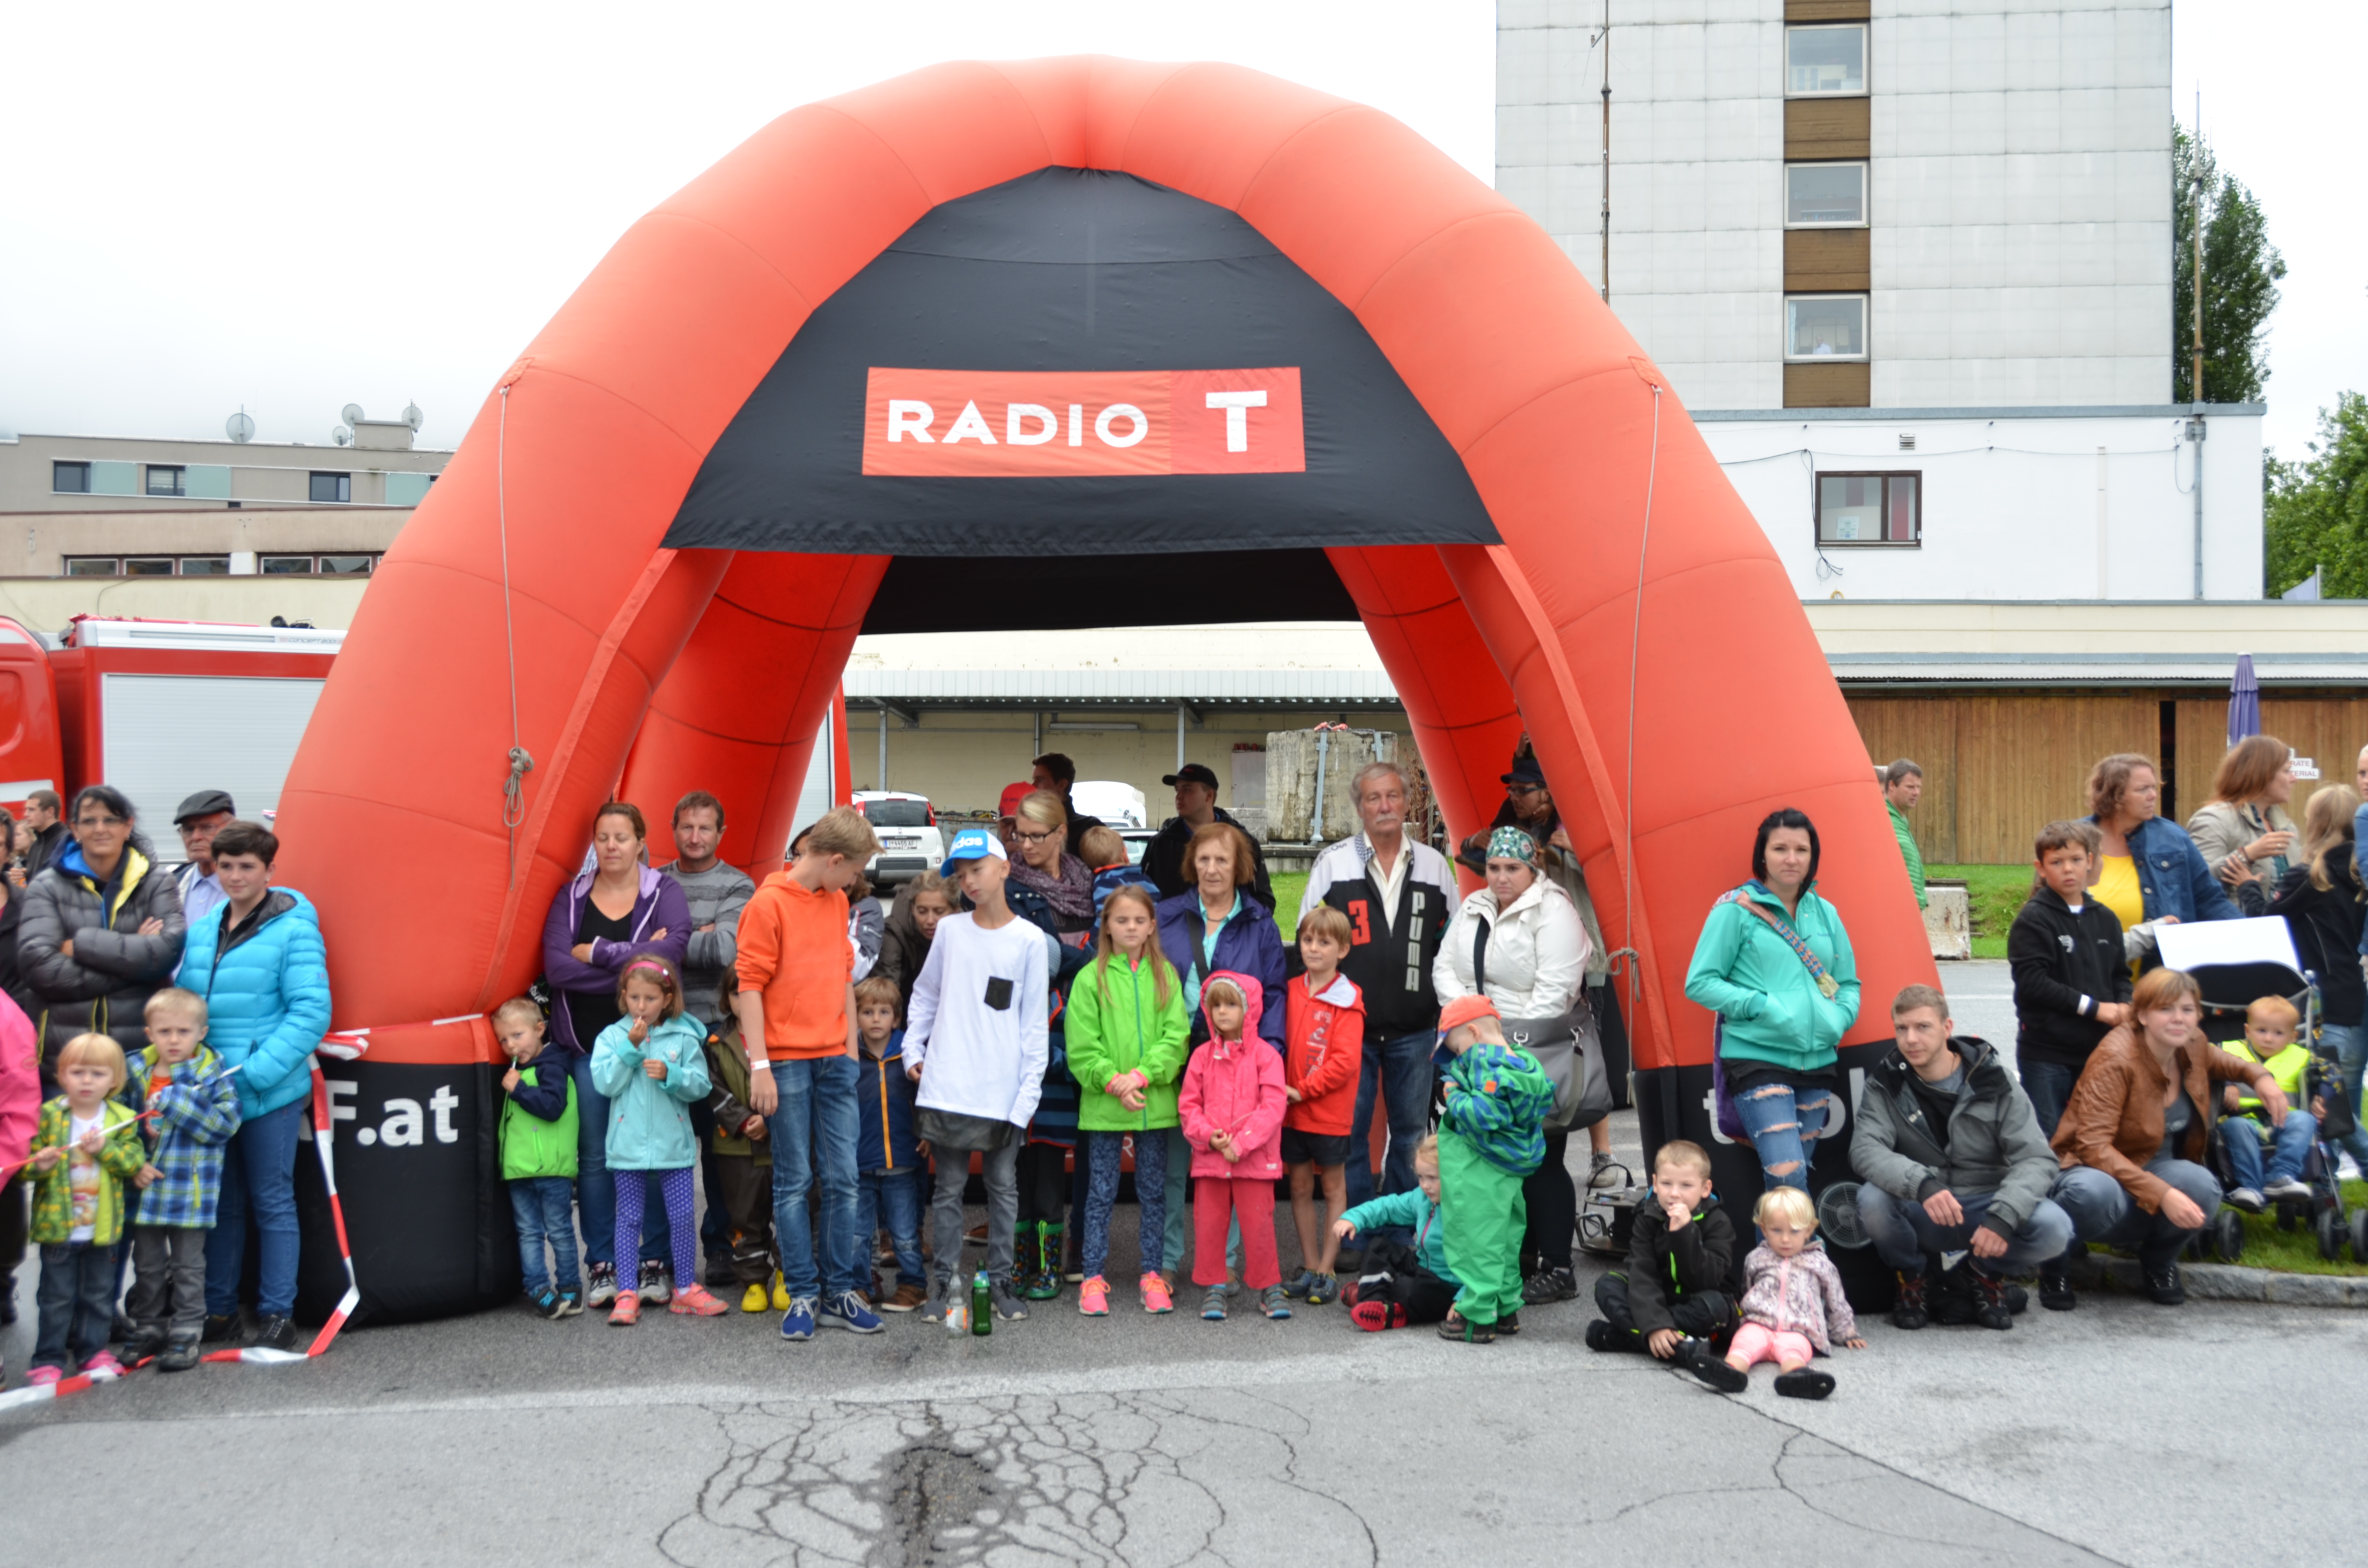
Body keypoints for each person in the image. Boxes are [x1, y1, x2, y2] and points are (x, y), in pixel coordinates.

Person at [2044, 966, 2289, 1309]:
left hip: (2158, 1166)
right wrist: (2163, 1194)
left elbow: (2227, 1062)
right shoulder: (2116, 1058)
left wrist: (2261, 1077)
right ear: (2142, 1015)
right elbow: (2093, 1147)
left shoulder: (2192, 1043)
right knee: (2091, 1193)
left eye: (2187, 1010)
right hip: (2095, 1168)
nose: (2179, 1019)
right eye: (2165, 1009)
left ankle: (2158, 1262)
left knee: (2203, 1186)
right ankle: (2055, 1259)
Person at [175, 820, 326, 1353]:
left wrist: (260, 1072)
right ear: (213, 868)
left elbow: (311, 1012)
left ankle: (277, 1313)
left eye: (247, 866)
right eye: (227, 865)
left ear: (269, 870)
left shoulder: (295, 928)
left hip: (267, 1092)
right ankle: (219, 1310)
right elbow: (185, 1007)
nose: (235, 875)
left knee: (272, 1201)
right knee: (222, 1204)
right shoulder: (202, 929)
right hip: (213, 1091)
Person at [733, 804, 882, 1341]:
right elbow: (748, 985)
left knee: (844, 1179)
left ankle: (839, 1291)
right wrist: (760, 1066)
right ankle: (802, 1293)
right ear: (834, 859)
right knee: (793, 1182)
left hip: (834, 1060)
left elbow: (844, 973)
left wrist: (847, 1047)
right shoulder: (767, 905)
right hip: (787, 1062)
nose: (857, 880)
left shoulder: (836, 897)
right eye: (855, 868)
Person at [1852, 984, 2073, 1332]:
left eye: (1922, 1027)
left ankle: (1982, 1275)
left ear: (1947, 1028)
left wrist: (2004, 1216)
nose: (1910, 1039)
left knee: (2055, 1228)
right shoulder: (1885, 1082)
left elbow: (2037, 1158)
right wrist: (1921, 1184)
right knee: (1872, 1200)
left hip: (1986, 1207)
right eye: (1902, 1028)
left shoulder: (1994, 1079)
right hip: (1926, 1208)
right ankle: (1914, 1277)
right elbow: (1865, 1150)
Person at [540, 801, 691, 1309]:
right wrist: (635, 957)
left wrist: (597, 951)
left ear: (641, 842)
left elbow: (671, 956)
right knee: (599, 1158)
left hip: (650, 1045)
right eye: (602, 837)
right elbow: (558, 970)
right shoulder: (570, 897)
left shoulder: (663, 891)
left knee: (648, 1155)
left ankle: (653, 1263)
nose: (610, 846)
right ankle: (603, 1263)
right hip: (588, 1049)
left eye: (621, 837)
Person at [1434, 824, 1590, 1305]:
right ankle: (1514, 1258)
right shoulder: (1473, 906)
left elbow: (1555, 991)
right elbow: (1444, 967)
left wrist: (1496, 1035)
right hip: (1474, 1044)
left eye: (1512, 869)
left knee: (1541, 1158)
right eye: (1494, 868)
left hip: (1529, 1052)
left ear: (1532, 868)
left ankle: (1558, 1265)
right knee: (1487, 1156)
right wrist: (1470, 1025)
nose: (1500, 878)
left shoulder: (1554, 910)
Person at [1300, 761, 1458, 1229]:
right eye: (1373, 798)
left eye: (1392, 796)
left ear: (1405, 803)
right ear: (1359, 807)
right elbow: (1308, 938)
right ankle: (1357, 1230)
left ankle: (1399, 1231)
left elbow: (1449, 944)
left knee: (1410, 1135)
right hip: (1350, 1031)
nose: (1384, 806)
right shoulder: (1333, 863)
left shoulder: (1433, 865)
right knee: (1349, 1134)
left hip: (1415, 1029)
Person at [904, 826, 1048, 1325]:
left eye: (977, 869)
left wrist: (1025, 1097)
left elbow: (1034, 1024)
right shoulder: (949, 931)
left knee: (1002, 1187)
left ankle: (1002, 1282)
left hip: (1002, 1090)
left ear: (1005, 868)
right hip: (948, 1085)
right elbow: (925, 995)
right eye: (961, 874)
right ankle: (942, 1284)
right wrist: (910, 1050)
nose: (969, 881)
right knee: (946, 1189)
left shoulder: (1030, 940)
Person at [1683, 808, 1860, 1195]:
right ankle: (1792, 1256)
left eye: (1802, 849)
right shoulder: (1735, 910)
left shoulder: (1825, 913)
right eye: (1780, 848)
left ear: (1813, 856)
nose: (1792, 858)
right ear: (1762, 855)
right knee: (1787, 1174)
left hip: (1817, 1062)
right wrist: (1761, 1007)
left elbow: (1848, 983)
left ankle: (1785, 1257)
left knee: (1794, 1185)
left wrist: (1839, 1018)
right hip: (1758, 1059)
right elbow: (1699, 983)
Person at [1486, 749, 1624, 1192]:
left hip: (1583, 960)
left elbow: (1615, 873)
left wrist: (1579, 854)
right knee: (1538, 1051)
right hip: (1529, 960)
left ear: (1549, 792)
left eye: (1524, 790)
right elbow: (1489, 856)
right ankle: (1534, 1136)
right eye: (1512, 790)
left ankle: (1602, 1154)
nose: (1515, 797)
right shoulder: (1520, 826)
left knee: (1585, 1053)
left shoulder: (1574, 825)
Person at [1156, 818, 1287, 1280]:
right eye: (1204, 859)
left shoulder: (1259, 923)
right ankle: (1168, 1262)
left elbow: (1274, 993)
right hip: (1175, 1054)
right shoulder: (1165, 915)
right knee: (1176, 1168)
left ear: (1240, 867)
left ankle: (1224, 1266)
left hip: (1238, 1061)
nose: (1212, 869)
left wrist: (1267, 1056)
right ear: (1192, 863)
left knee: (1230, 1164)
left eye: (1223, 860)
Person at [1064, 882, 1188, 1318]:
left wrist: (1141, 1076)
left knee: (1154, 1193)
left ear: (1152, 926)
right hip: (1105, 1108)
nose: (1131, 927)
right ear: (1107, 926)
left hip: (1154, 1107)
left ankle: (1152, 1274)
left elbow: (1177, 1036)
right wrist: (1114, 1081)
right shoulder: (1090, 978)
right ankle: (1093, 1277)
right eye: (1122, 920)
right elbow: (1081, 1044)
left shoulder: (1164, 974)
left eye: (1139, 920)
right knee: (1100, 1194)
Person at [18, 784, 187, 1082]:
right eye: (89, 820)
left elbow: (165, 954)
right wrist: (134, 964)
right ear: (75, 829)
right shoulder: (46, 886)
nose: (100, 828)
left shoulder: (158, 883)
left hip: (139, 1059)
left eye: (111, 820)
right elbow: (39, 969)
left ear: (128, 826)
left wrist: (82, 945)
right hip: (65, 1062)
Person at [592, 956, 727, 1324]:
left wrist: (673, 1074)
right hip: (628, 1146)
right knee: (629, 1218)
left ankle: (684, 1288)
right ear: (624, 997)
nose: (641, 1006)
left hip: (673, 1146)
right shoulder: (613, 1037)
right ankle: (627, 1292)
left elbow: (700, 1087)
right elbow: (605, 1084)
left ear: (667, 998)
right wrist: (631, 1050)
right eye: (634, 998)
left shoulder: (685, 1035)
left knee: (682, 1216)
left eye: (650, 999)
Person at [657, 790, 754, 1288]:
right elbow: (638, 953)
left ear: (721, 833)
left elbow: (725, 951)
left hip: (716, 1035)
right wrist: (698, 931)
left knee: (719, 1152)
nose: (695, 837)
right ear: (673, 830)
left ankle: (721, 1247)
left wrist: (668, 937)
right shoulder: (654, 881)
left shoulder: (738, 884)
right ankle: (666, 1252)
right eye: (686, 827)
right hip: (664, 1033)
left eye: (705, 828)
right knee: (668, 1149)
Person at [1003, 789, 1095, 1299]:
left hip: (1079, 1022)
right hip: (1031, 1019)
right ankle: (1024, 1263)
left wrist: (1064, 957)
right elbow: (1024, 952)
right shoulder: (1009, 885)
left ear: (1062, 834)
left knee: (1065, 1150)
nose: (1026, 845)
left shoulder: (1088, 882)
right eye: (1020, 834)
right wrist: (1076, 957)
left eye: (1038, 835)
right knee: (1024, 1151)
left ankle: (1060, 1257)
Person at [119, 989, 240, 1369]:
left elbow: (226, 1125)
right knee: (148, 1266)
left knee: (189, 1267)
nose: (174, 1040)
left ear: (201, 1032)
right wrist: (133, 1165)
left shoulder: (211, 1072)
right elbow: (120, 1126)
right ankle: (149, 1330)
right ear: (149, 1033)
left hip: (191, 1190)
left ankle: (186, 1333)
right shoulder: (135, 1069)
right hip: (145, 1186)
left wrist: (177, 1100)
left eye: (183, 1032)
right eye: (165, 1031)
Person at [24, 1032, 146, 1384]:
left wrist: (104, 1149)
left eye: (97, 1073)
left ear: (115, 1079)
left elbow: (133, 1161)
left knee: (98, 1296)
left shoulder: (121, 1117)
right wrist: (40, 1164)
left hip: (103, 1229)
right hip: (58, 1228)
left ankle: (93, 1352)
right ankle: (48, 1357)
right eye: (78, 1072)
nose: (87, 1081)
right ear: (63, 1076)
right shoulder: (50, 1116)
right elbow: (26, 1164)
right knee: (55, 1298)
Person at [1431, 996, 1555, 1344]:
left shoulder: (1487, 1067)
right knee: (1505, 1238)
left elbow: (1485, 1116)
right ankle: (1505, 1308)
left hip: (1481, 1168)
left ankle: (1476, 1315)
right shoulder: (1525, 1064)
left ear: (1472, 1032)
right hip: (1510, 1169)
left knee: (1476, 1240)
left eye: (1456, 1049)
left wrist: (1453, 1094)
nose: (1457, 1058)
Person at [2008, 820, 2133, 1137]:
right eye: (2056, 862)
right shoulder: (2034, 919)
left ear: (2090, 861)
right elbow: (2034, 984)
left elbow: (2120, 974)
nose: (2068, 869)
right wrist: (2095, 1009)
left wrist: (2124, 1005)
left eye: (2076, 860)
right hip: (2048, 1055)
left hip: (2100, 1052)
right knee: (2050, 1142)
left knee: (2098, 1136)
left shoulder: (2105, 918)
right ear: (2041, 867)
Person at [1178, 972, 1290, 1323]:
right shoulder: (1200, 1057)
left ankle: (1269, 1285)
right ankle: (1215, 1284)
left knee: (1260, 1224)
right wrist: (1209, 1136)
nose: (1222, 1012)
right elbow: (1188, 1105)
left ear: (1249, 1009)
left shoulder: (1267, 1055)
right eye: (1216, 1005)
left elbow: (1273, 1106)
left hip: (1253, 1159)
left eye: (1231, 1004)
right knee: (1209, 1224)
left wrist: (1241, 1144)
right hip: (1212, 1159)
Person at [1686, 1186, 1863, 1400]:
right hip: (1759, 1323)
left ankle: (1797, 1376)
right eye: (1777, 1231)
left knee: (1794, 1350)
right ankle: (1730, 1371)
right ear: (1764, 1228)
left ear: (1808, 1230)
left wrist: (1846, 1332)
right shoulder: (1757, 1258)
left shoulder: (1819, 1263)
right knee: (1744, 1344)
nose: (1785, 1239)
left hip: (1799, 1329)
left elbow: (1836, 1299)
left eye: (1794, 1231)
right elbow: (1748, 1287)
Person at [2273, 784, 2368, 1176]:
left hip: (2325, 1004)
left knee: (2331, 1106)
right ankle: (2323, 1181)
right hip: (2357, 1001)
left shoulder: (2311, 876)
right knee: (2346, 1100)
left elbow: (2266, 919)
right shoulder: (2359, 877)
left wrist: (2246, 884)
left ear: (2316, 824)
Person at [1280, 905, 1363, 1306]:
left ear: (1342, 950)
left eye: (1324, 942)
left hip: (1327, 1113)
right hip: (1291, 1111)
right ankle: (1311, 1265)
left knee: (1332, 1188)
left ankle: (1330, 1268)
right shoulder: (1291, 988)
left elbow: (1345, 1063)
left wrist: (1304, 1090)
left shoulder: (1349, 999)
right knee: (1298, 1186)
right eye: (1308, 940)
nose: (1313, 948)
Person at [1585, 1138, 1738, 1358]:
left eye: (1686, 1186)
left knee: (1717, 1307)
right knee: (1607, 1285)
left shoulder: (1718, 1221)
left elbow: (1707, 1279)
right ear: (1655, 1184)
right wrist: (1656, 1323)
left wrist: (1685, 1234)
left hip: (1697, 1302)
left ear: (1705, 1189)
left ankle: (1629, 1337)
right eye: (1667, 1184)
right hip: (1660, 1300)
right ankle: (1682, 1349)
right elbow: (1642, 1272)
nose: (1675, 1193)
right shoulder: (1647, 1217)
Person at [2084, 754, 2241, 962]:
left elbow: (2208, 899)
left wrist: (2246, 933)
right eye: (2143, 790)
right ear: (2114, 795)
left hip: (2161, 980)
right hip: (2091, 974)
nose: (2153, 796)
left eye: (2154, 787)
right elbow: (2047, 906)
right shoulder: (2076, 838)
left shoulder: (2174, 838)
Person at [493, 994, 581, 1321]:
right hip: (519, 1170)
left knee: (559, 1229)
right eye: (504, 1039)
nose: (511, 1046)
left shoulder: (552, 1067)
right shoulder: (517, 1071)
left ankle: (571, 1287)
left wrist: (519, 1091)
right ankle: (539, 1289)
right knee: (528, 1232)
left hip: (551, 1168)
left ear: (540, 1029)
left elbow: (553, 1107)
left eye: (518, 1035)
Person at [698, 974, 783, 1315]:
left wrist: (771, 1121)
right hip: (737, 1147)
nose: (744, 999)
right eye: (737, 993)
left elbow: (793, 1083)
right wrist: (743, 1120)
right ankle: (753, 1282)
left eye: (754, 992)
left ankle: (788, 1277)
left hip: (780, 1144)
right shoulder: (717, 1042)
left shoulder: (781, 1036)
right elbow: (712, 1088)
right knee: (744, 1217)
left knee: (792, 1209)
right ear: (726, 998)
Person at [851, 976, 926, 1312]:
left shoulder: (908, 1058)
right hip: (860, 1160)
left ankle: (914, 1286)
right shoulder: (850, 1058)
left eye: (884, 1012)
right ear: (855, 1017)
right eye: (867, 1012)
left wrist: (927, 1133)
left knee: (905, 1232)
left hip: (902, 1159)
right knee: (858, 1234)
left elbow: (926, 1099)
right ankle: (862, 1285)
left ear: (897, 1018)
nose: (876, 1019)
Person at [1333, 1134, 1456, 1331]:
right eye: (1421, 1177)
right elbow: (1389, 1207)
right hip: (1424, 1267)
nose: (1425, 1185)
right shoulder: (1422, 1198)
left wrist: (1464, 1301)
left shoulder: (1466, 1212)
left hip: (1449, 1287)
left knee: (1410, 1288)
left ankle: (1380, 1300)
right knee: (1378, 1247)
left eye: (1433, 1178)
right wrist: (1354, 1218)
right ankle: (1372, 1302)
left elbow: (1482, 1263)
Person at [2216, 995, 2320, 1213]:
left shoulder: (2302, 1056)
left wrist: (2322, 1097)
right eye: (2261, 1031)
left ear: (2293, 1037)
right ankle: (2251, 1187)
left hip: (2283, 1121)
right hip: (2244, 1120)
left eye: (2278, 1033)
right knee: (2235, 1127)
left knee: (2305, 1119)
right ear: (2248, 1031)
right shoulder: (2228, 1050)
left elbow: (2331, 1074)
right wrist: (2227, 1084)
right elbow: (2206, 1067)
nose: (2269, 1039)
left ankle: (2281, 1176)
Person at [1142, 762, 1274, 909]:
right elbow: (1143, 896)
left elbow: (1263, 900)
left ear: (1209, 796)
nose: (1179, 797)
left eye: (1187, 790)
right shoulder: (1161, 844)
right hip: (1171, 930)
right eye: (1177, 790)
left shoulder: (1242, 842)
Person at [2187, 735, 2298, 890]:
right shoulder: (2214, 820)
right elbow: (2196, 882)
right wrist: (2246, 855)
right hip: (2235, 915)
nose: (2294, 779)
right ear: (2262, 775)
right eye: (2287, 771)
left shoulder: (2286, 826)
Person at [878, 870, 957, 1019]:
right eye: (922, 911)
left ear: (955, 910)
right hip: (904, 1011)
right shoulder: (894, 931)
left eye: (939, 912)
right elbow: (886, 990)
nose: (930, 920)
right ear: (912, 908)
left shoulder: (966, 929)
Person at [170, 790, 237, 951]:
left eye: (207, 827)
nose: (196, 837)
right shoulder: (170, 883)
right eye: (188, 829)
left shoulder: (252, 886)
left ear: (233, 828)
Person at [1030, 752, 1105, 859]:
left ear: (1062, 784)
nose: (1033, 786)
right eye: (1034, 780)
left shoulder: (1089, 828)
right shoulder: (1028, 826)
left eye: (1040, 780)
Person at [1079, 823, 1153, 920]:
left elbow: (1104, 918)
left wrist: (1091, 935)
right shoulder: (1146, 880)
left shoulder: (1104, 883)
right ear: (1125, 855)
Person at [1883, 760, 1927, 909]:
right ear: (1892, 786)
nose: (1916, 793)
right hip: (1898, 912)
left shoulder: (1900, 822)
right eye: (1910, 787)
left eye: (1918, 787)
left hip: (1911, 912)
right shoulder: (1884, 821)